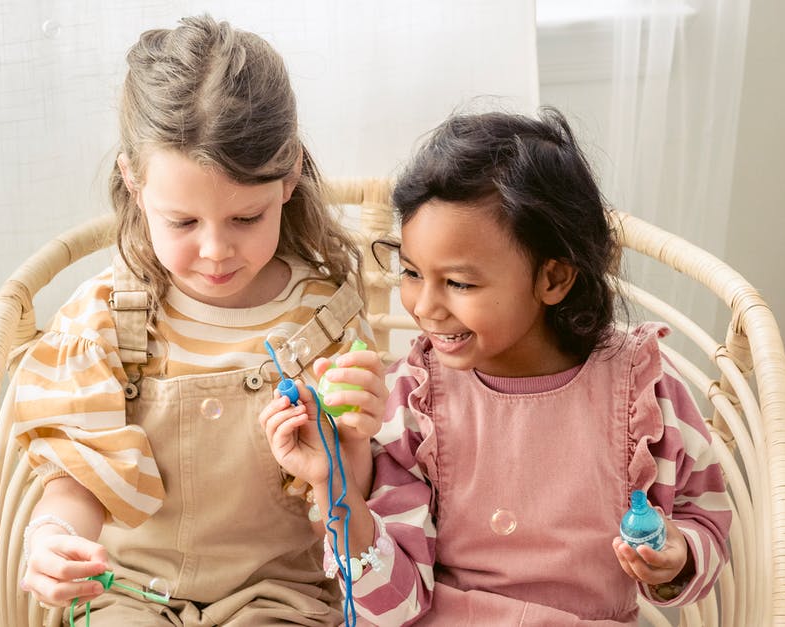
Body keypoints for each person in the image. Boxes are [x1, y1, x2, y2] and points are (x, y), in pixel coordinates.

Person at [261, 107, 731, 625]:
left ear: (553, 278)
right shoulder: (414, 400)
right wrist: (336, 485)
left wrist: (677, 557)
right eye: (413, 273)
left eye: (459, 283)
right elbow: (392, 605)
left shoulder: (643, 392)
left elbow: (705, 522)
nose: (424, 306)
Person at [12, 15, 387, 626]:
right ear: (134, 183)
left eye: (246, 219)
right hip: (124, 590)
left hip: (281, 596)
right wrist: (51, 537)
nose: (216, 251)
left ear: (289, 175)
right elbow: (78, 480)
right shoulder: (104, 318)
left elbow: (344, 499)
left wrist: (353, 444)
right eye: (183, 222)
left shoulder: (322, 320)